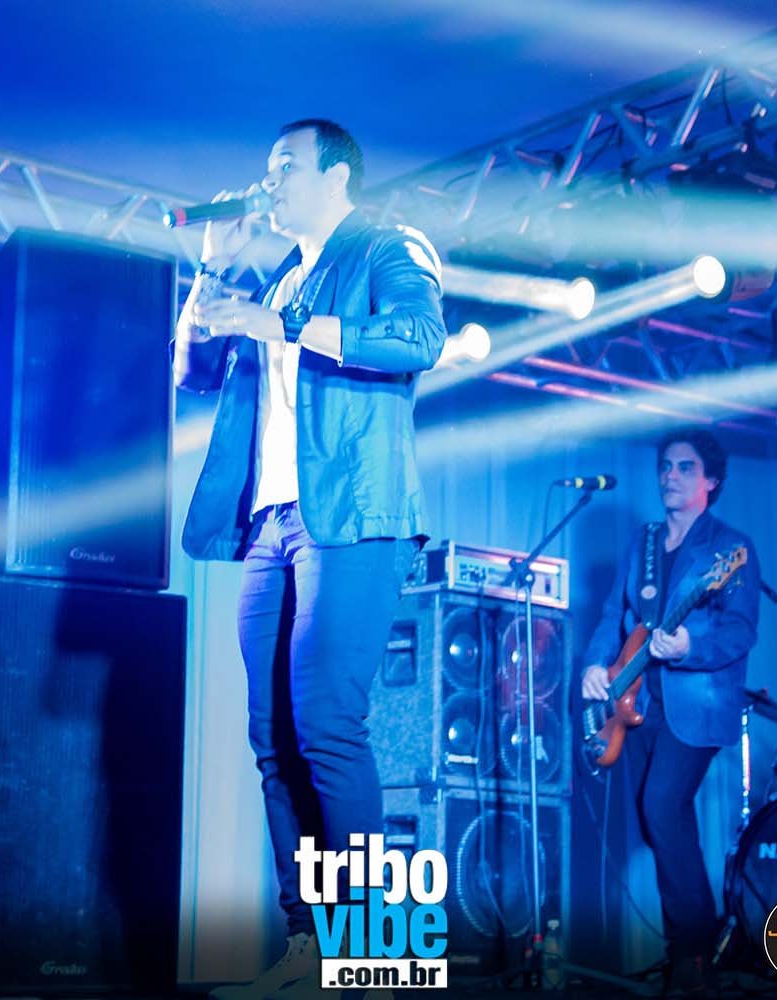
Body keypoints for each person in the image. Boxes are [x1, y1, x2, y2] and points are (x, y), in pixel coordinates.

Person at [173, 119, 447, 1000]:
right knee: (274, 740)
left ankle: (368, 953)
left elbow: (419, 339)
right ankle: (307, 945)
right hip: (273, 526)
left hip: (354, 514)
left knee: (328, 722)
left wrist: (282, 321)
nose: (270, 181)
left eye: (285, 167)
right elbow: (190, 373)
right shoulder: (277, 279)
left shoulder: (387, 246)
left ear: (337, 176)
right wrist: (213, 270)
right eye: (266, 168)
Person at [578, 429, 760, 996]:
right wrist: (595, 665)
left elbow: (740, 630)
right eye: (665, 466)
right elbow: (614, 614)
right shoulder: (646, 543)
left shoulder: (730, 548)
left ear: (712, 481)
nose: (669, 476)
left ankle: (693, 953)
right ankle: (691, 947)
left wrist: (689, 647)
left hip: (696, 704)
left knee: (662, 804)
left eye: (685, 467)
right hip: (638, 700)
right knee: (657, 816)